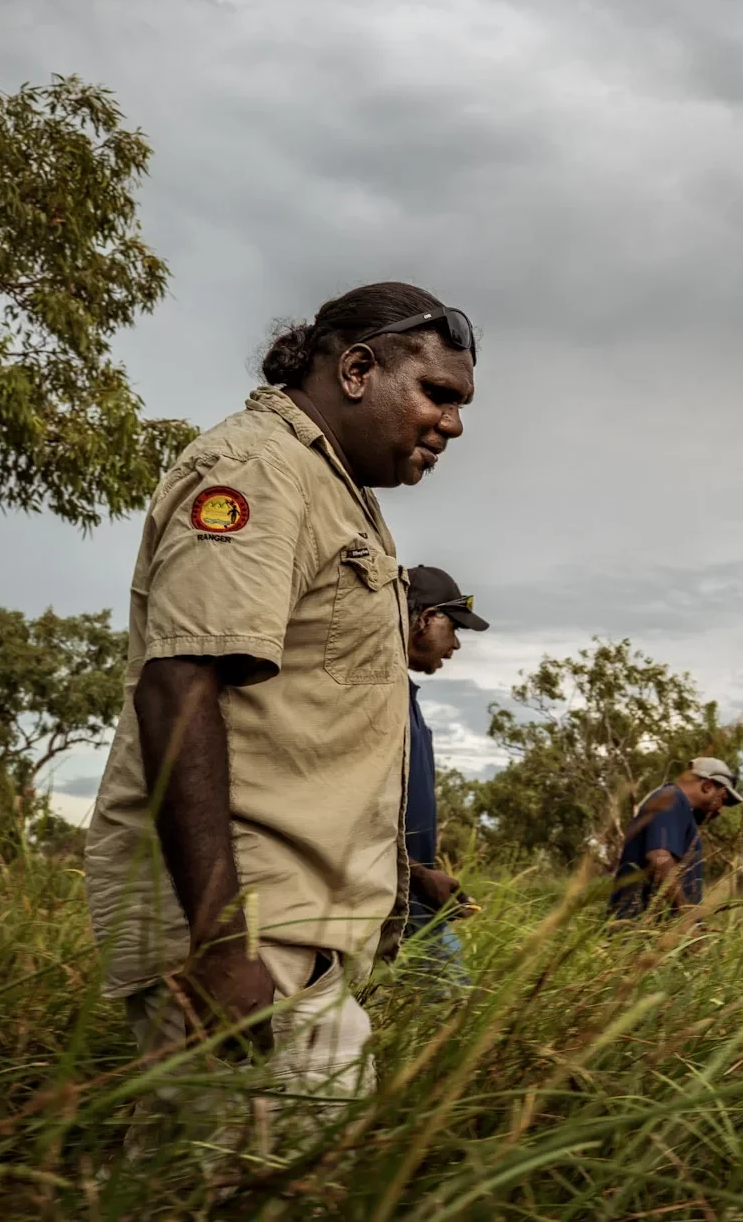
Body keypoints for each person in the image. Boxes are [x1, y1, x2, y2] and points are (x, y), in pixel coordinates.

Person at [82, 282, 476, 1145]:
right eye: (437, 393)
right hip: (243, 922)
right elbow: (177, 682)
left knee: (215, 1179)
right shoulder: (260, 468)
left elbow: (303, 729)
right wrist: (224, 944)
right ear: (359, 368)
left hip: (289, 921)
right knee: (287, 1176)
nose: (452, 423)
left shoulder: (341, 493)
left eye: (459, 403)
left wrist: (406, 880)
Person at [401, 563, 488, 985]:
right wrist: (418, 876)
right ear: (424, 619)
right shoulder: (372, 700)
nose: (454, 645)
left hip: (417, 906)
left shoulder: (406, 699)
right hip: (390, 907)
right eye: (452, 629)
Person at [608, 758, 742, 921]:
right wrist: (686, 919)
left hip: (651, 931)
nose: (720, 810)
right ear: (707, 786)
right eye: (722, 799)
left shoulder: (679, 807)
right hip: (635, 930)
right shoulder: (672, 799)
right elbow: (660, 858)